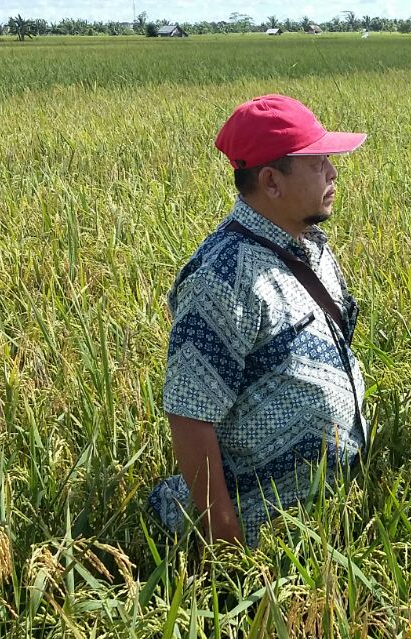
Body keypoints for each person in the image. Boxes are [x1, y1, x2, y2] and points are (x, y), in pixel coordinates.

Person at [149, 95, 368, 548]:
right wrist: (225, 542)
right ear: (271, 181)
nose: (333, 173)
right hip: (264, 532)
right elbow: (189, 415)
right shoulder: (222, 277)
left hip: (326, 517)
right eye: (318, 162)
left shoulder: (311, 246)